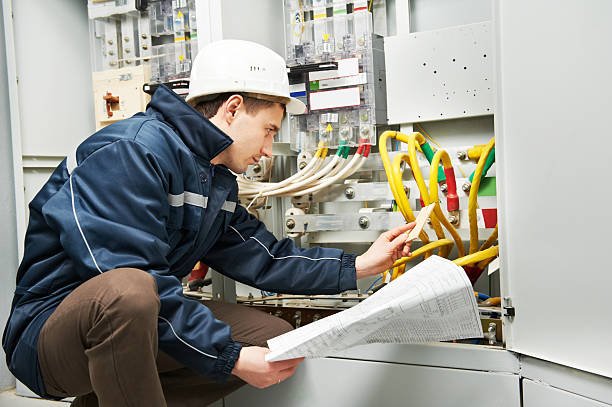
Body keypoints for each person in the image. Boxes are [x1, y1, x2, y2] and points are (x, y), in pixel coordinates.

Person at [2, 39, 414, 406]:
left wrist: (359, 266)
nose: (269, 150)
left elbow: (265, 258)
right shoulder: (130, 152)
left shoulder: (213, 179)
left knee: (270, 339)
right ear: (233, 109)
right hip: (47, 338)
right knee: (129, 289)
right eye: (268, 131)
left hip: (132, 322)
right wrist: (228, 357)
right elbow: (126, 274)